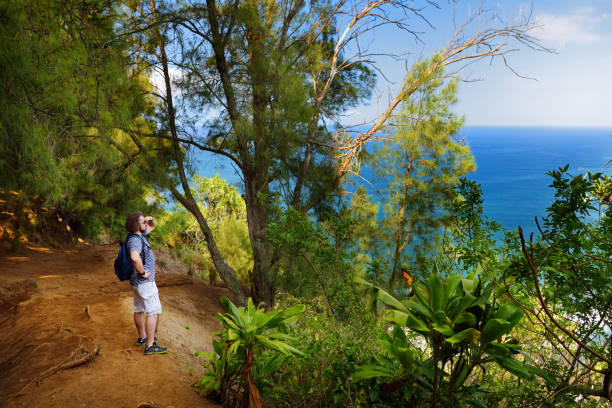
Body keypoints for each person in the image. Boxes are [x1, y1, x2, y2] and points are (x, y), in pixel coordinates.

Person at [124, 211, 168, 355]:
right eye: (143, 221)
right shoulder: (136, 240)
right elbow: (135, 257)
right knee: (153, 312)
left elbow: (153, 226)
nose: (146, 223)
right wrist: (142, 273)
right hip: (145, 283)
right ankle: (150, 345)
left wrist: (151, 219)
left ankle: (142, 337)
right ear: (137, 225)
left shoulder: (138, 235)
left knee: (139, 309)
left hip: (137, 283)